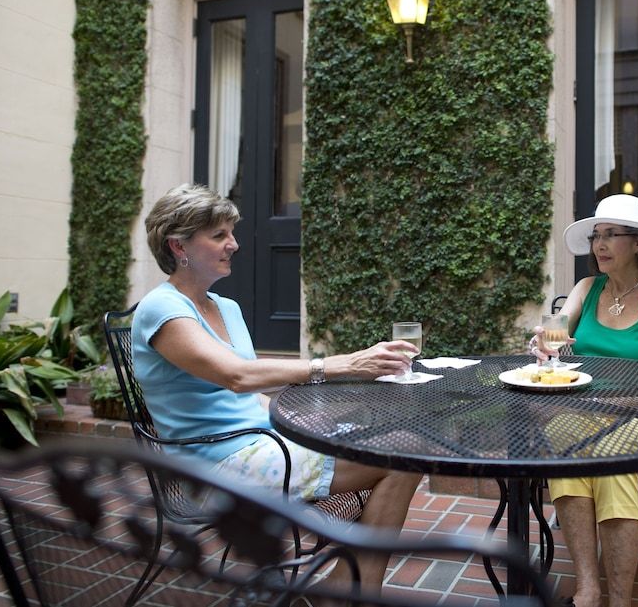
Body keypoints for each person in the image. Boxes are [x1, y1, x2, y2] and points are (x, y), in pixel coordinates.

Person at [131, 183, 422, 597]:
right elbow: (236, 376)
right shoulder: (162, 308)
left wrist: (315, 419)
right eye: (218, 235)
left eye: (231, 233)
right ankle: (353, 591)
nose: (233, 244)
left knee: (387, 443)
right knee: (402, 456)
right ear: (178, 246)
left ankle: (348, 584)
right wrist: (341, 364)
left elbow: (248, 394)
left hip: (262, 442)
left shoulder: (226, 307)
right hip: (214, 465)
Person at [530, 194, 638, 607]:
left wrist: (602, 410)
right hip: (585, 413)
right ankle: (588, 587)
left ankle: (618, 599)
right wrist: (546, 344)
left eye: (610, 235)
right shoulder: (585, 288)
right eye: (596, 236)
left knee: (608, 456)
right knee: (570, 444)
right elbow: (556, 334)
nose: (599, 244)